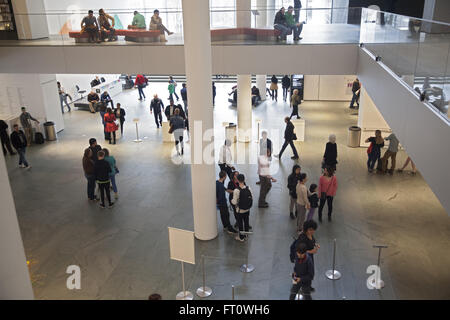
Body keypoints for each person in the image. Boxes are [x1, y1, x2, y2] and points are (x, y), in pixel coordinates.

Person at [231, 174, 253, 242]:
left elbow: (234, 202)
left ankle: (241, 237)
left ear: (237, 180)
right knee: (246, 222)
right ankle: (246, 235)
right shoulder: (248, 188)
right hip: (247, 209)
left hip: (239, 211)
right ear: (244, 179)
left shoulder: (236, 190)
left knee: (240, 224)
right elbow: (251, 198)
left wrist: (231, 201)